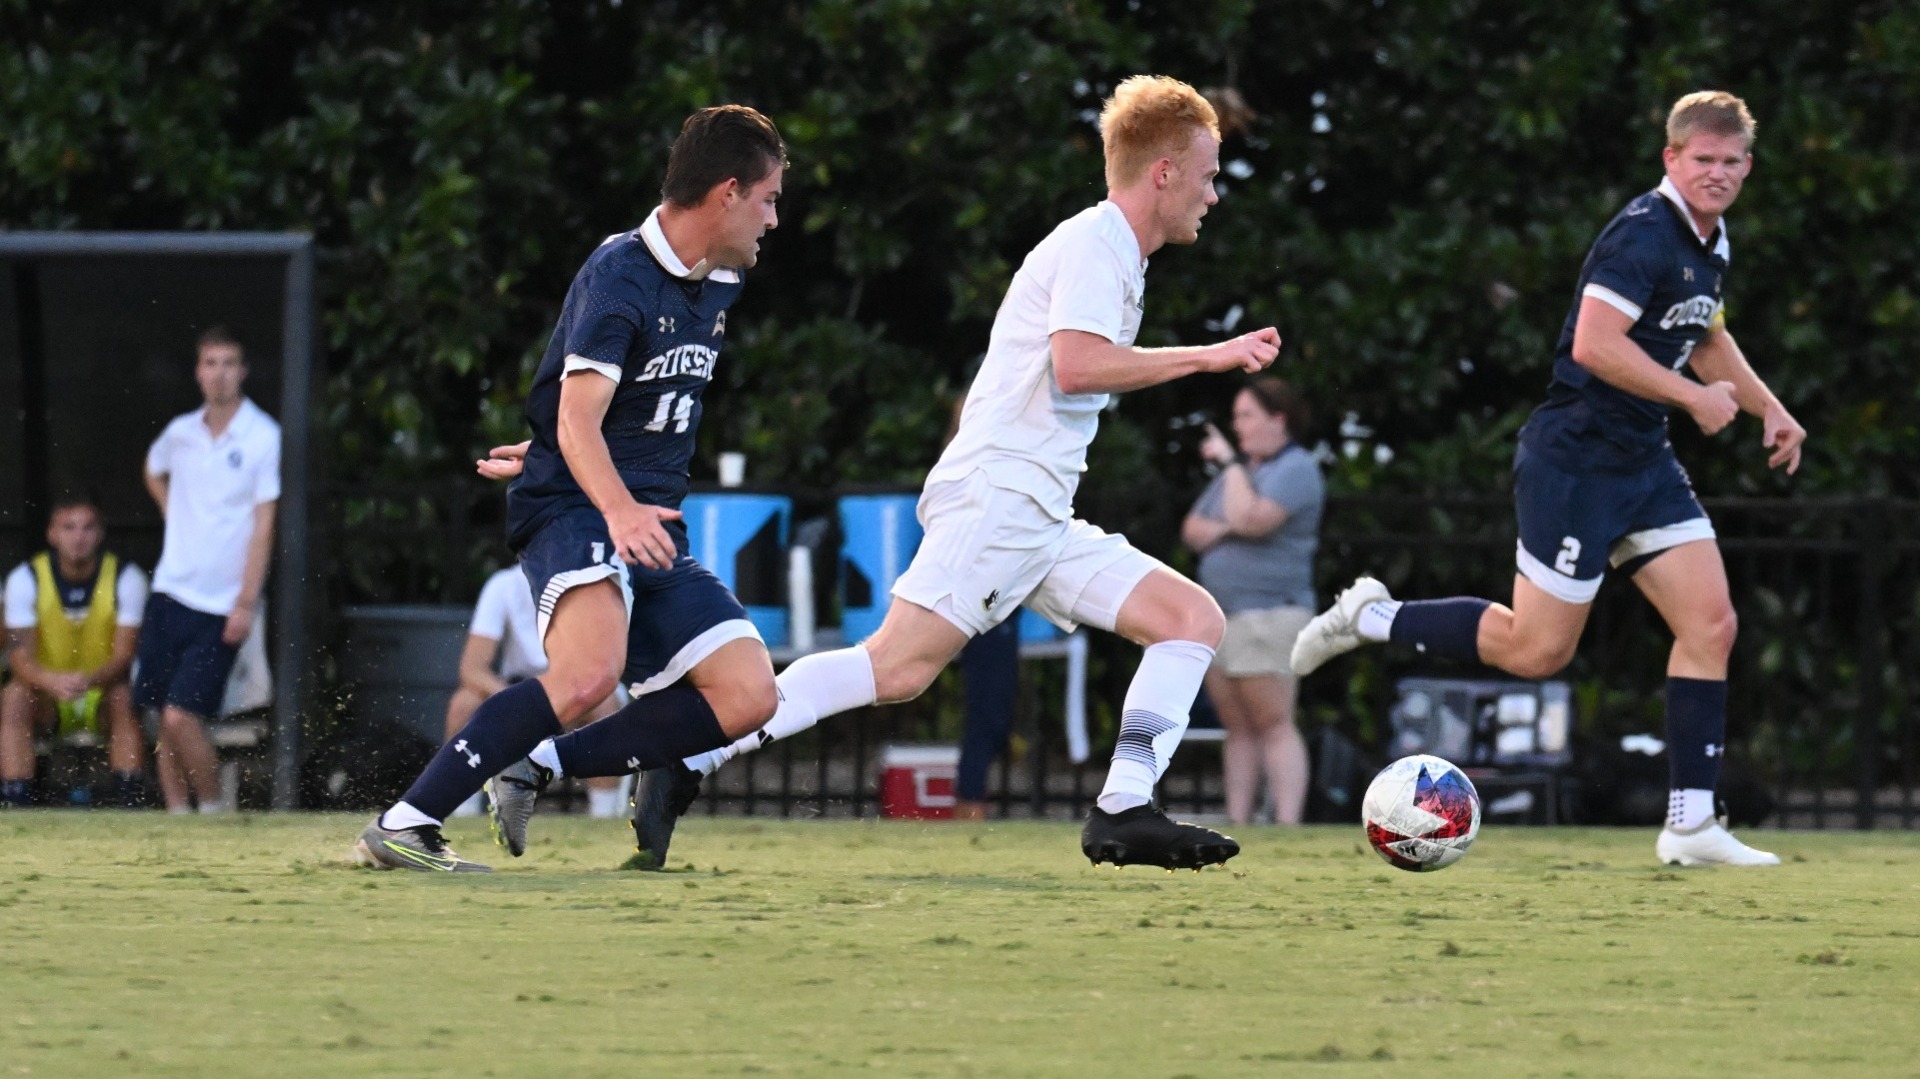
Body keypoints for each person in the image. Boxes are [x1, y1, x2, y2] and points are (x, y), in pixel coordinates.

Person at [628, 75, 1282, 870]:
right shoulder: (1095, 245)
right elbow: (1076, 368)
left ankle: (1124, 806)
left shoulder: (1115, 253)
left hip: (1035, 511)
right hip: (1002, 499)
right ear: (1165, 172)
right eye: (1209, 175)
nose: (1215, 194)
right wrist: (1208, 357)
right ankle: (688, 749)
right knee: (894, 667)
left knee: (1190, 619)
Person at [1291, 91, 1805, 867]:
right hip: (1575, 461)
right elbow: (1597, 345)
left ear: (1748, 166)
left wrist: (1770, 407)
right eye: (1703, 160)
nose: (1718, 174)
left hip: (1644, 460)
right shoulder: (1644, 235)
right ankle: (1373, 616)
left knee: (1712, 625)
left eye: (1732, 163)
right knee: (1535, 651)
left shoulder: (1712, 240)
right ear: (1672, 159)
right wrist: (1695, 399)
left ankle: (1692, 823)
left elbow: (1704, 335)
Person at [353, 105, 787, 872]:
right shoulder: (620, 274)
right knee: (587, 673)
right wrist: (593, 485)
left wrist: (557, 449)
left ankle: (535, 763)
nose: (774, 219)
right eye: (769, 198)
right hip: (584, 511)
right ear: (727, 192)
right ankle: (406, 822)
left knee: (750, 693)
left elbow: (607, 412)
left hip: (640, 518)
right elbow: (577, 417)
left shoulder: (720, 279)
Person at [139, 327, 280, 814]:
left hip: (221, 603)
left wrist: (245, 600)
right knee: (160, 716)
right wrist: (171, 511)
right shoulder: (180, 433)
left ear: (242, 371)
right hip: (169, 590)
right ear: (198, 372)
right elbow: (152, 468)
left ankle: (215, 810)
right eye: (210, 363)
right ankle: (178, 816)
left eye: (228, 363)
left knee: (183, 716)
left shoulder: (263, 435)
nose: (219, 373)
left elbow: (265, 524)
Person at [1181, 378, 1324, 825]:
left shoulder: (1296, 468)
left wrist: (1229, 471)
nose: (1237, 427)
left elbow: (1250, 518)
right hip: (1226, 617)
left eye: (1246, 416)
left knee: (1274, 723)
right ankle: (1239, 822)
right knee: (1238, 728)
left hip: (1271, 615)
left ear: (1277, 420)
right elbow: (1194, 530)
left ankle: (1286, 825)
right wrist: (1230, 522)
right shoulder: (1243, 473)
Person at [1, 495, 150, 807]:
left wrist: (89, 679)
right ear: (52, 534)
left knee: (126, 697)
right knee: (14, 697)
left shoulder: (126, 578)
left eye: (87, 528)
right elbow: (19, 656)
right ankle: (16, 799)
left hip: (102, 692)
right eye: (68, 528)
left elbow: (125, 654)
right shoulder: (25, 579)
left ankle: (128, 799)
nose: (78, 537)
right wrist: (52, 681)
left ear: (100, 534)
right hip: (47, 694)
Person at [442, 567, 624, 819]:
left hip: (580, 688)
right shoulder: (503, 585)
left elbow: (600, 667)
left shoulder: (591, 583)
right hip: (519, 687)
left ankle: (604, 817)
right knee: (464, 704)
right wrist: (518, 702)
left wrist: (561, 703)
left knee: (604, 706)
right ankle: (463, 814)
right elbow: (472, 668)